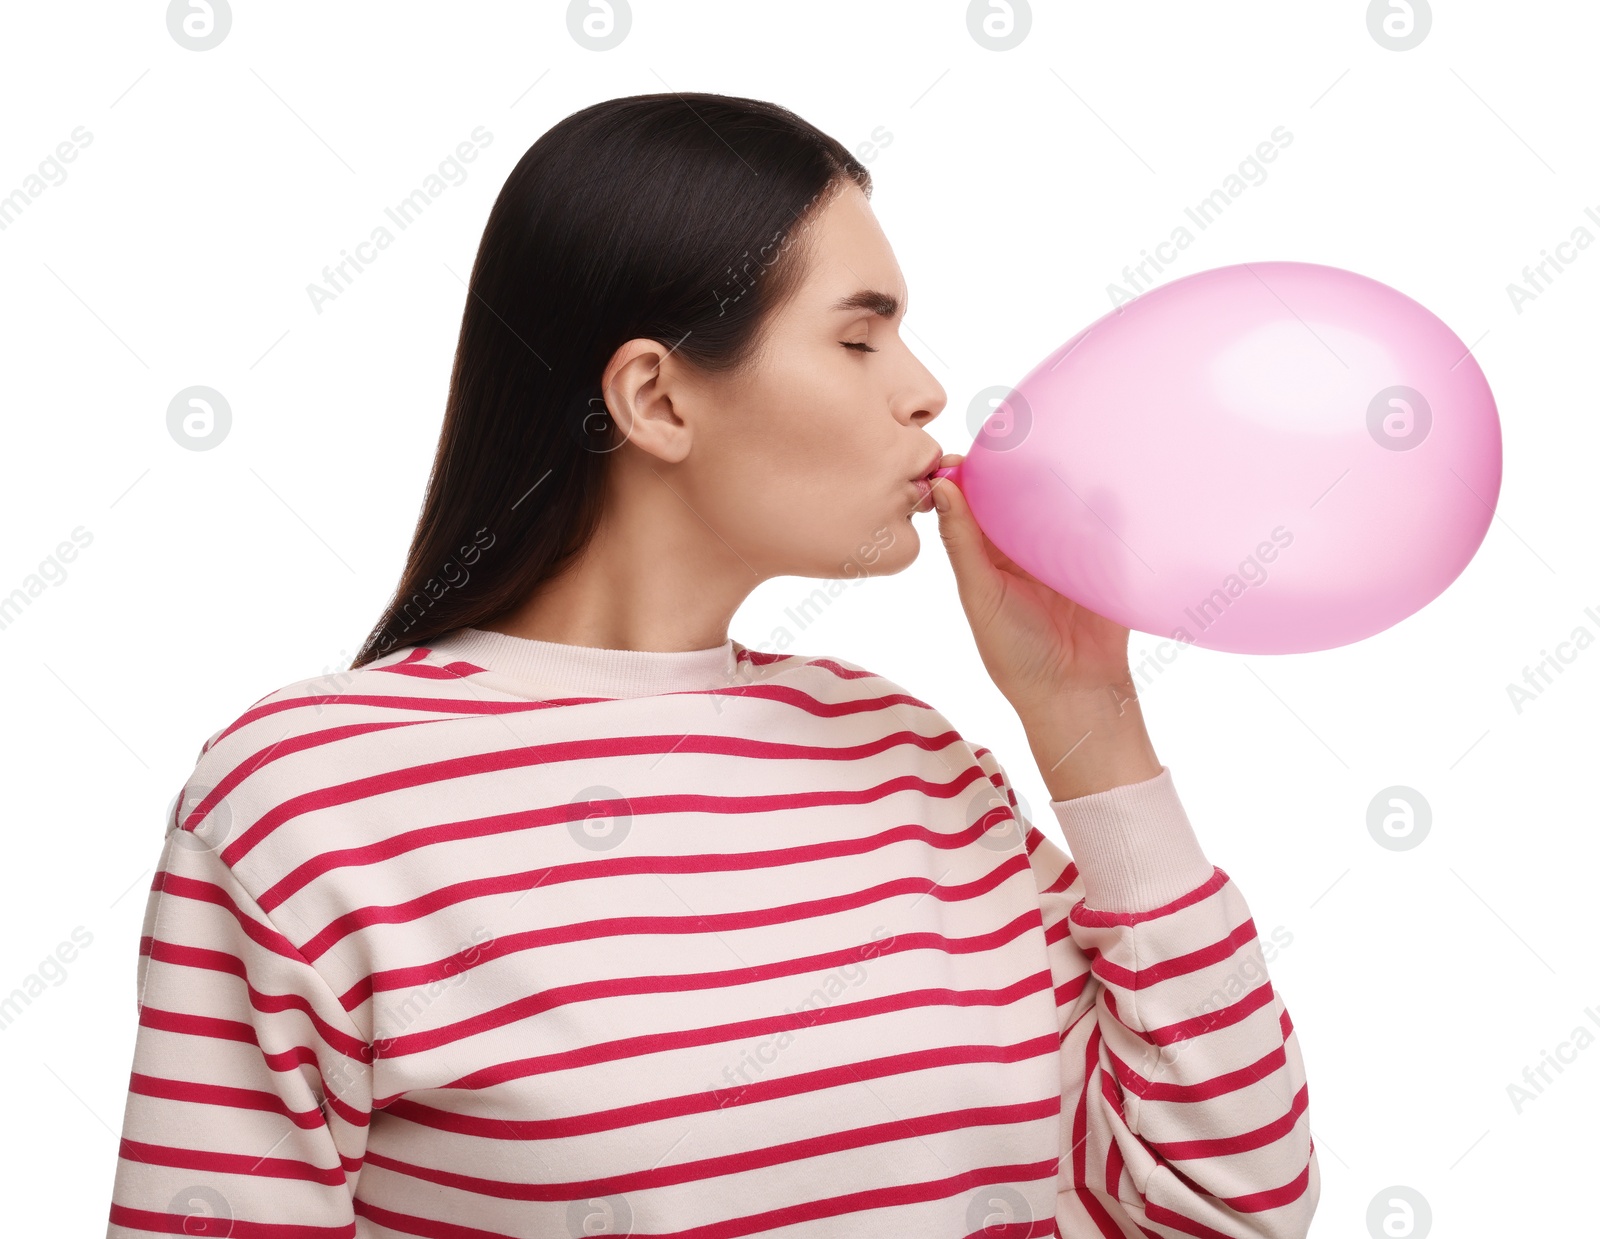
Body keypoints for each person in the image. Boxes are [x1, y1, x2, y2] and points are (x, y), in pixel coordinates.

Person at [105, 93, 1318, 1238]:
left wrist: (1084, 711)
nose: (926, 391)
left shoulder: (919, 763)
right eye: (858, 337)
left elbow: (1227, 1205)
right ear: (657, 399)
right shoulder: (308, 797)